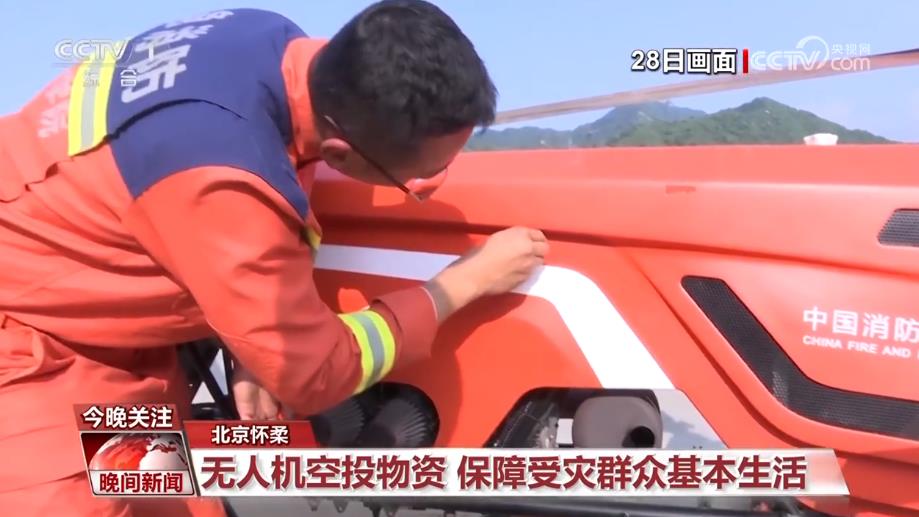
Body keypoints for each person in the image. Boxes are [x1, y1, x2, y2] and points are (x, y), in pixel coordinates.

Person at [0, 1, 548, 516]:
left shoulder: (273, 44)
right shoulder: (220, 175)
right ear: (339, 153)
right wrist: (458, 286)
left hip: (113, 339)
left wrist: (246, 339)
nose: (431, 185)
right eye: (418, 180)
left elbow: (244, 182)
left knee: (169, 496)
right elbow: (316, 374)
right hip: (30, 352)